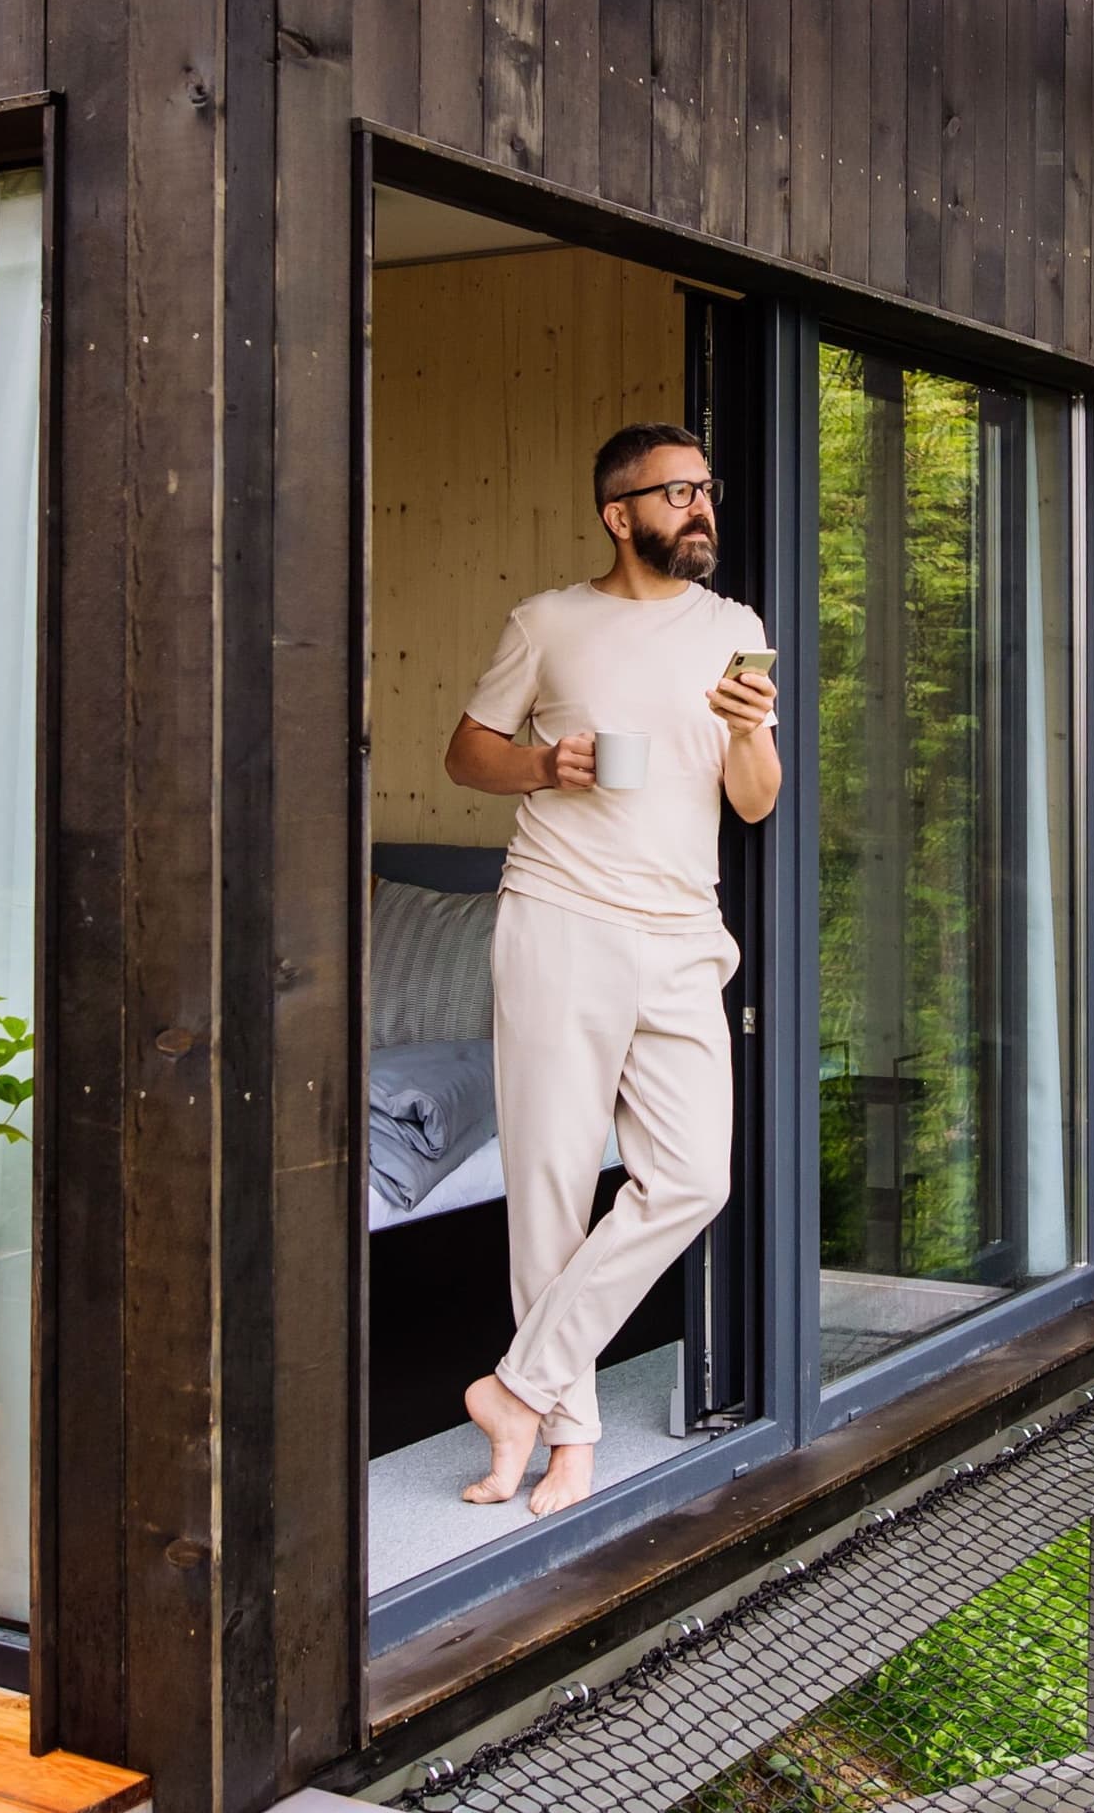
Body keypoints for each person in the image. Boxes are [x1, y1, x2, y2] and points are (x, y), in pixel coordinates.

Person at [444, 420, 782, 1516]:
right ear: (618, 513)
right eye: (676, 491)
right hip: (560, 918)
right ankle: (561, 1444)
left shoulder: (736, 628)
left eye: (705, 487)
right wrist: (548, 762)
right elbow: (466, 753)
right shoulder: (548, 623)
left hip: (685, 932)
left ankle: (519, 1389)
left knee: (692, 1176)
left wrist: (748, 730)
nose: (700, 507)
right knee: (547, 1183)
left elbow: (754, 799)